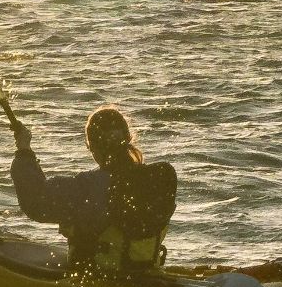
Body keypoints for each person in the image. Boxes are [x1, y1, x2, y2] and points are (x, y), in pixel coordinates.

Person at [10, 106, 177, 273]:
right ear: (128, 139)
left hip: (100, 278)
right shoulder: (157, 179)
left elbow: (36, 201)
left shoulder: (89, 186)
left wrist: (24, 150)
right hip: (144, 274)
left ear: (93, 147)